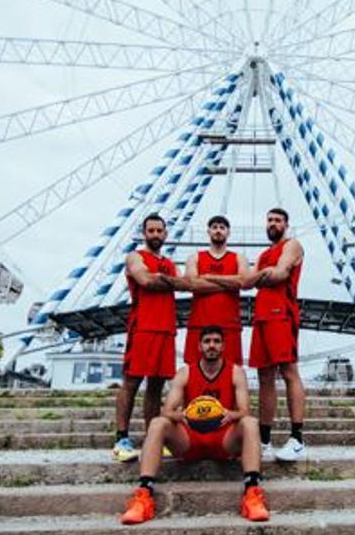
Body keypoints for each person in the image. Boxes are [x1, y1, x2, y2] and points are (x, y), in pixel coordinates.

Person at [120, 325, 269, 525]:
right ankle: (144, 495)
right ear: (199, 346)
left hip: (222, 438)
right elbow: (168, 410)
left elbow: (245, 410)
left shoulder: (235, 372)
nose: (212, 346)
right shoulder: (185, 373)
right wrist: (183, 415)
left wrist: (229, 414)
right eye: (207, 342)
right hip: (190, 439)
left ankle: (252, 493)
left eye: (216, 341)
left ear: (223, 346)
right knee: (158, 422)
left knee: (250, 423)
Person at [112, 213, 191, 463]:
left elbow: (182, 284)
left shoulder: (168, 262)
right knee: (131, 382)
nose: (155, 235)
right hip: (143, 327)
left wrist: (165, 281)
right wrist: (170, 282)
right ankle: (121, 438)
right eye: (151, 230)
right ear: (144, 233)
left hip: (166, 328)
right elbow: (144, 279)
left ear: (166, 234)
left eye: (159, 231)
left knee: (156, 387)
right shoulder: (135, 257)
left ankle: (151, 438)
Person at [250, 207, 306, 462]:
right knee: (264, 377)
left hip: (280, 313)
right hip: (261, 316)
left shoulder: (292, 246)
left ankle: (297, 438)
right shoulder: (264, 254)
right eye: (269, 219)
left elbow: (280, 274)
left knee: (288, 372)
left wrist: (254, 278)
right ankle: (264, 440)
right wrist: (258, 277)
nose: (272, 223)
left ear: (286, 224)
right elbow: (259, 279)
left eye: (277, 220)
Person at [183, 215, 253, 366]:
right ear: (208, 231)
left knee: (231, 371)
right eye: (214, 227)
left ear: (228, 232)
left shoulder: (239, 258)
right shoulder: (195, 257)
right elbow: (192, 284)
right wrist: (230, 282)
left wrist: (208, 277)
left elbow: (244, 281)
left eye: (222, 228)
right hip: (199, 323)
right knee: (194, 372)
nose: (218, 231)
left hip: (229, 325)